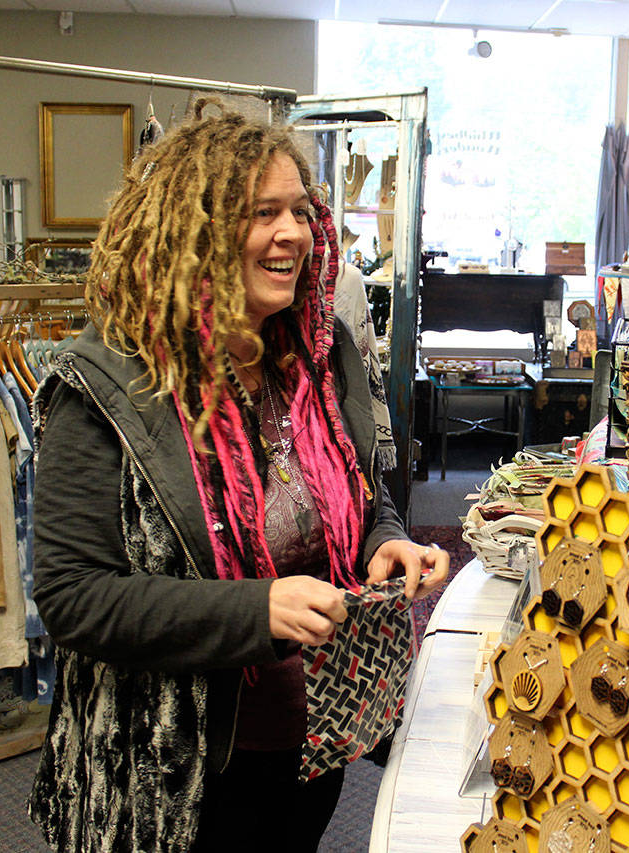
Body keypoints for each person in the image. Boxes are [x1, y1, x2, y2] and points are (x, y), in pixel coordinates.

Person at [27, 98, 448, 853]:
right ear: (197, 234)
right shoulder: (107, 385)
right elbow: (72, 596)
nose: (292, 233)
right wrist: (255, 612)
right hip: (175, 768)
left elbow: (362, 486)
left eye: (298, 210)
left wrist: (385, 539)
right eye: (262, 213)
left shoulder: (318, 354)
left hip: (312, 732)